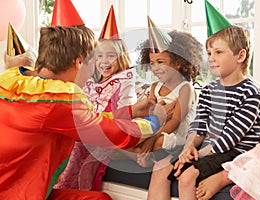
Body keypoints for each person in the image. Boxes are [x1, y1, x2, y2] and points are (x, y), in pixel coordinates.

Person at [0, 25, 173, 200]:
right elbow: (112, 134)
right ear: (79, 62)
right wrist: (155, 120)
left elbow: (87, 120)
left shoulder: (12, 78)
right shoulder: (60, 97)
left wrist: (130, 111)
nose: (92, 74)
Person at [148, 2, 260, 198]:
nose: (211, 58)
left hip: (236, 154)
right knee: (160, 167)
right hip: (207, 148)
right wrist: (188, 148)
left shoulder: (251, 93)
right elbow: (198, 125)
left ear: (240, 56)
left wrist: (196, 155)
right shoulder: (209, 90)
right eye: (209, 53)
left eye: (218, 52)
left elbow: (230, 139)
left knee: (187, 176)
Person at [54, 6, 139, 191]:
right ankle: (62, 186)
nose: (104, 61)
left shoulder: (124, 81)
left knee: (81, 150)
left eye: (111, 56)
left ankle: (72, 189)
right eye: (99, 56)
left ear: (121, 57)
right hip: (90, 130)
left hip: (107, 133)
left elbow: (125, 113)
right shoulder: (92, 82)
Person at [134, 17, 203, 169]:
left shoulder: (185, 88)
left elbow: (176, 121)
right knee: (130, 139)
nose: (155, 68)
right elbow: (149, 114)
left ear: (178, 62)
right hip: (157, 130)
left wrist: (152, 138)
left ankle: (147, 155)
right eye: (152, 63)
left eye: (160, 62)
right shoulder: (154, 87)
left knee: (157, 142)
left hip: (177, 137)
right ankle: (146, 156)